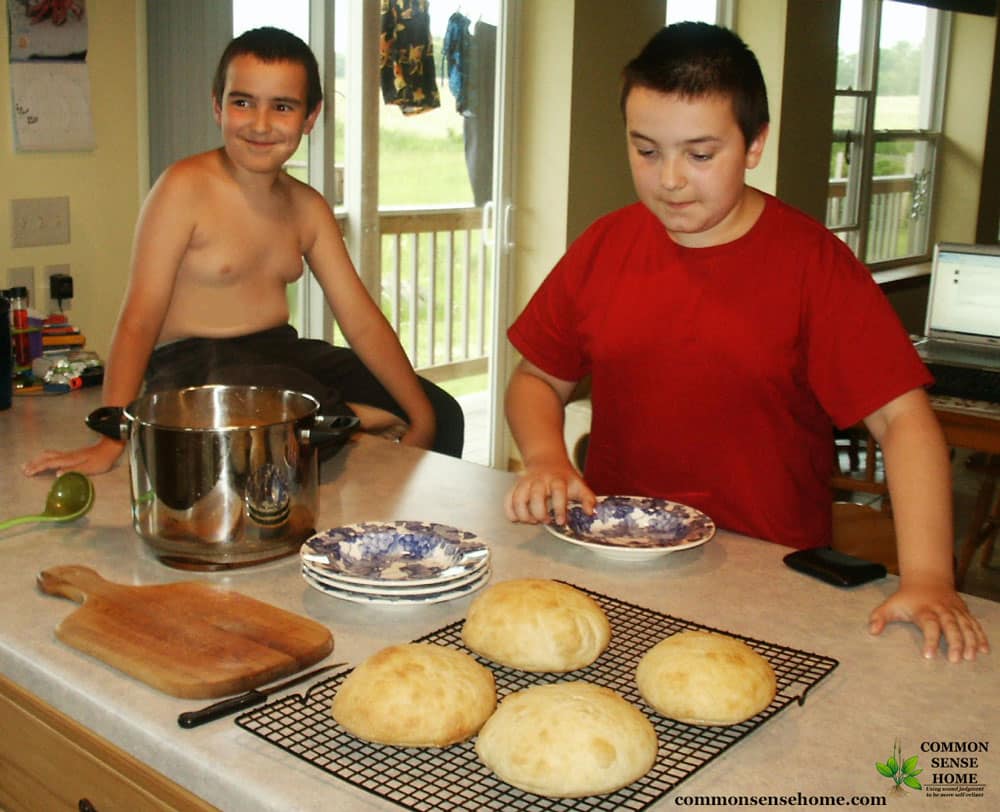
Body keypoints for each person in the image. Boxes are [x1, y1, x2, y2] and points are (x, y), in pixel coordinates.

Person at [504, 22, 989, 663]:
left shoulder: (814, 264)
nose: (670, 179)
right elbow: (536, 378)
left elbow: (904, 420)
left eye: (700, 155)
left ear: (754, 144)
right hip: (615, 560)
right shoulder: (605, 245)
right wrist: (545, 456)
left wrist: (928, 577)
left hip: (773, 572)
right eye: (646, 151)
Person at [23, 26, 463, 478]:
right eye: (243, 102)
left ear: (311, 117)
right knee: (275, 420)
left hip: (280, 354)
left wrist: (421, 415)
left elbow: (361, 319)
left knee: (443, 412)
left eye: (283, 107)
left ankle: (357, 439)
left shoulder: (307, 207)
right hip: (193, 366)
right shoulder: (183, 188)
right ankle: (351, 420)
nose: (260, 123)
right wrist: (112, 435)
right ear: (218, 105)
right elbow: (140, 316)